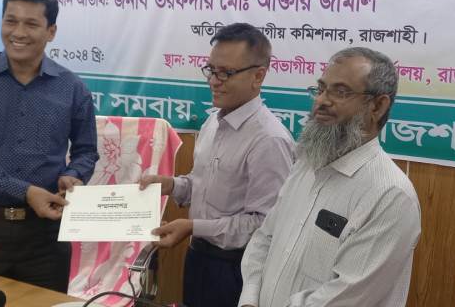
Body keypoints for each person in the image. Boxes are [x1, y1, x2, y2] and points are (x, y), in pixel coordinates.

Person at [238, 47, 421, 307]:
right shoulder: (306, 164)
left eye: (341, 92)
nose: (322, 101)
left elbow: (345, 296)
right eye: (321, 88)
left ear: (378, 106)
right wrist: (249, 300)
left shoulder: (391, 195)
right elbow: (264, 239)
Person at [0, 0, 98, 291]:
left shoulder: (72, 88)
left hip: (47, 235)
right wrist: (25, 191)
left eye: (31, 24)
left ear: (51, 31)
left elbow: (86, 151)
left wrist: (74, 174)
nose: (18, 32)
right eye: (11, 21)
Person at [140, 23, 295, 307]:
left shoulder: (269, 140)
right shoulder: (213, 121)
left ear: (258, 76)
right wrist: (171, 185)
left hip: (237, 270)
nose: (214, 81)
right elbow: (202, 185)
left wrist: (193, 226)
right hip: (198, 257)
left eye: (226, 73)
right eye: (211, 70)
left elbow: (262, 225)